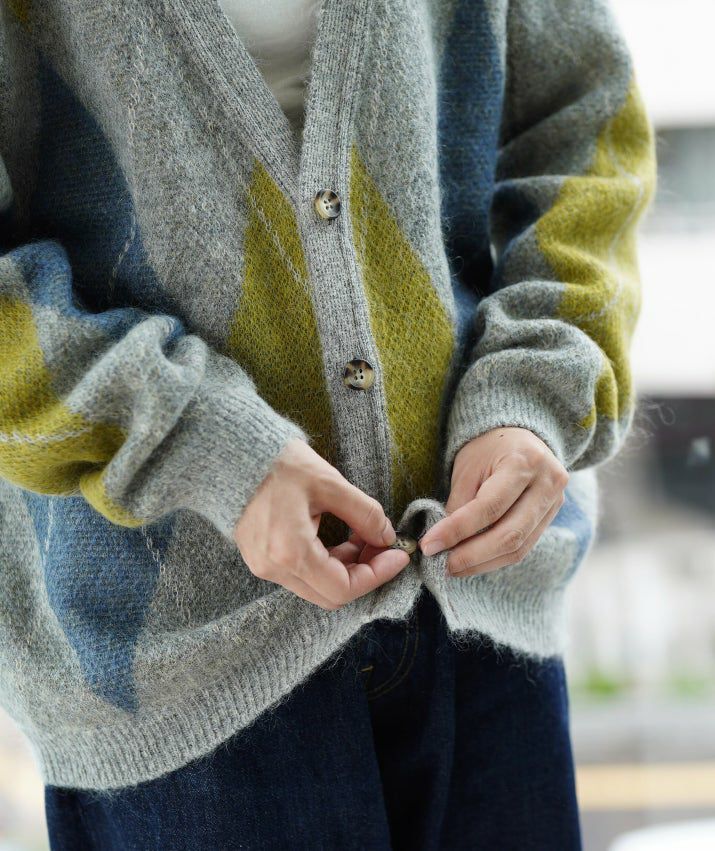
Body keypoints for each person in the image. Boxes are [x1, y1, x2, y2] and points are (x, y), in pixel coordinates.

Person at [0, 0, 656, 848]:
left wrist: (531, 391)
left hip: (484, 614)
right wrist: (195, 441)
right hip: (171, 660)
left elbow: (583, 121)